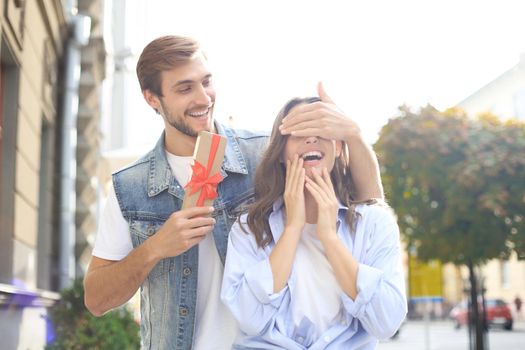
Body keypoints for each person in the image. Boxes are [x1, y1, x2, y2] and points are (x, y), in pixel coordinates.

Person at [83, 35, 384, 350]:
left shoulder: (263, 153)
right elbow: (97, 299)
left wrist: (354, 135)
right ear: (152, 99)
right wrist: (156, 247)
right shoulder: (130, 188)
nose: (204, 98)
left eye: (207, 82)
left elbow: (365, 203)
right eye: (185, 88)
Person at [221, 97, 407, 349]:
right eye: (298, 132)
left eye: (322, 130)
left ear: (339, 147)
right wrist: (293, 228)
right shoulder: (249, 227)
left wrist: (329, 236)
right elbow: (249, 318)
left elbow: (386, 323)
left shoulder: (374, 224)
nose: (311, 138)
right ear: (280, 153)